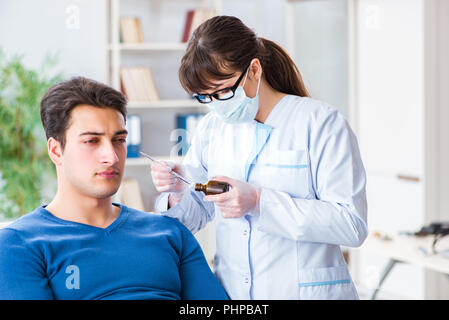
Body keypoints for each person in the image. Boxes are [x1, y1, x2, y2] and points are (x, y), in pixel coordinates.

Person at [151, 15, 368, 300]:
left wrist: (259, 202)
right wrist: (176, 192)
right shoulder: (212, 128)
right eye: (205, 96)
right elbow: (196, 213)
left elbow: (351, 224)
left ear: (254, 70)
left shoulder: (320, 122)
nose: (216, 105)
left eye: (223, 91)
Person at [0, 77, 228, 300]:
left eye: (119, 140)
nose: (111, 156)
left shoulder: (169, 232)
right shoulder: (18, 244)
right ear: (56, 151)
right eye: (92, 141)